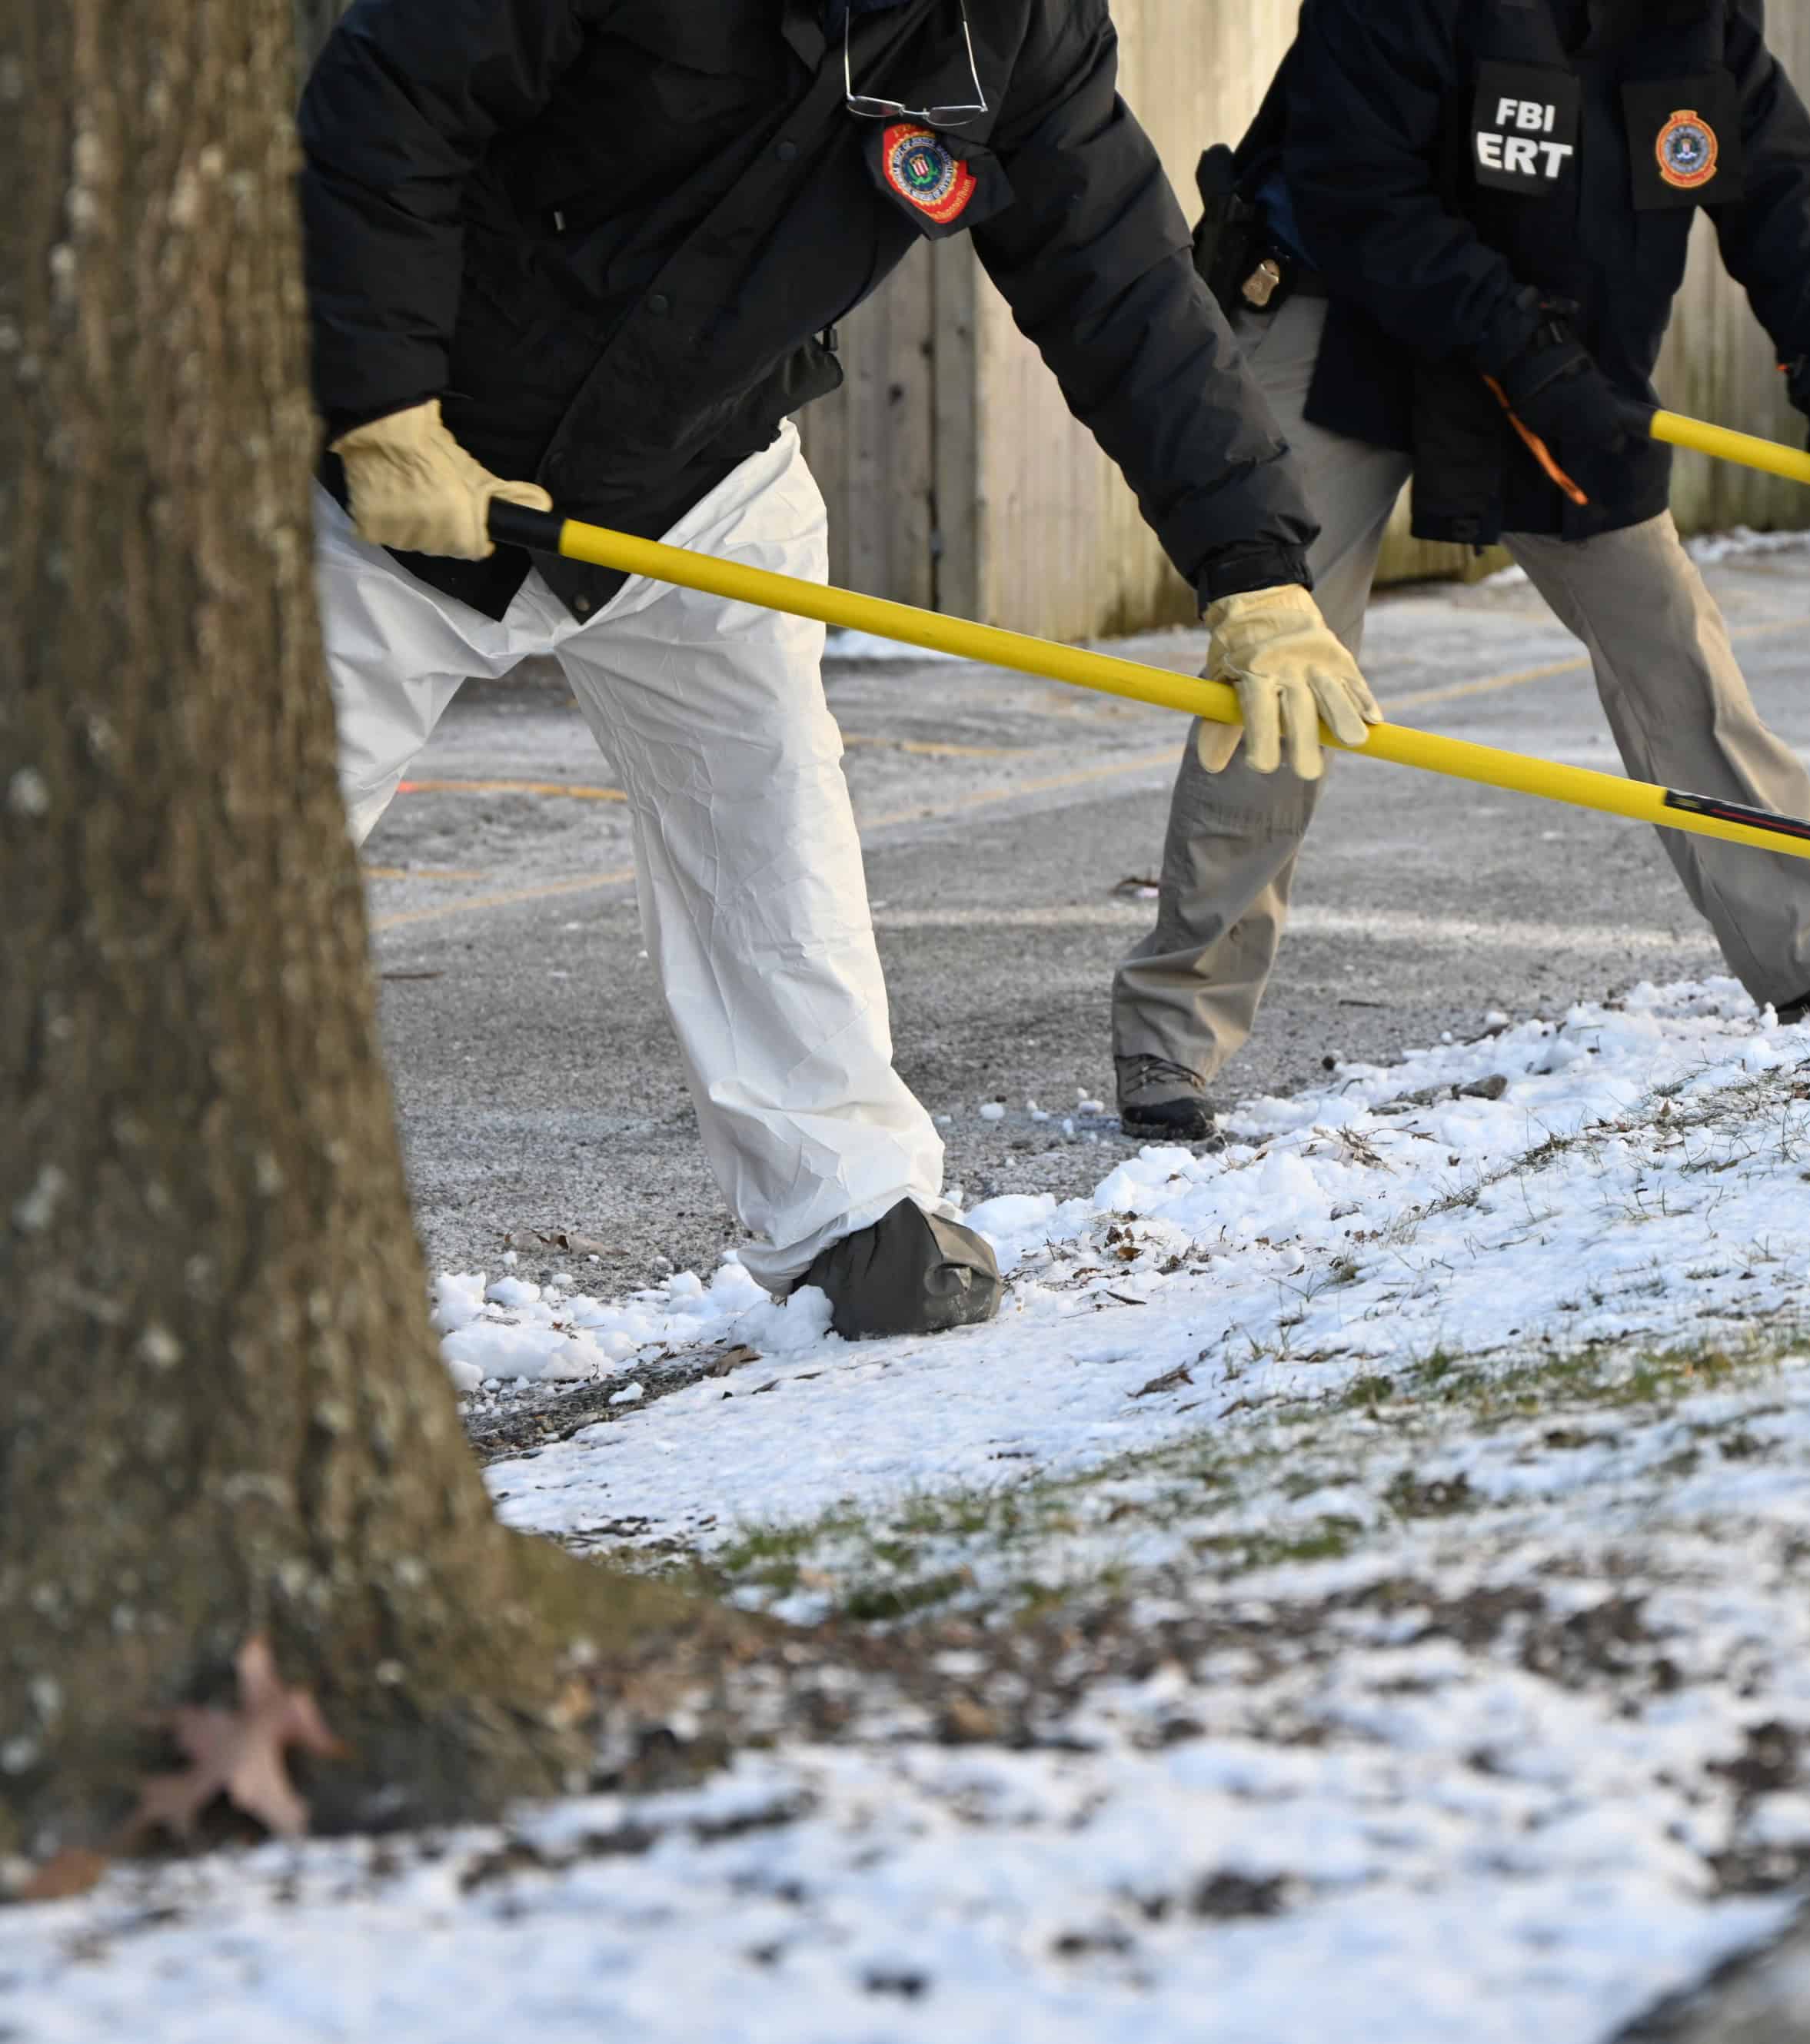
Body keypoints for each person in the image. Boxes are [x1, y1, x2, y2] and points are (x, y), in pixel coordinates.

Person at [299, 0, 1376, 1335]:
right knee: (231, 860)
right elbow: (389, 103)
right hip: (423, 475)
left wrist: (1254, 565)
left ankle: (851, 1213)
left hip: (703, 476)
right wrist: (380, 403)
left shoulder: (1021, 32)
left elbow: (1124, 288)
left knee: (770, 830)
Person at [1108, 0, 1810, 1142]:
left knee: (1669, 646)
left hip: (1552, 355)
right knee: (1279, 665)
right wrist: (1531, 359)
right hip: (1341, 323)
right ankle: (1172, 1037)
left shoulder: (1701, 22)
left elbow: (1779, 205)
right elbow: (1361, 193)